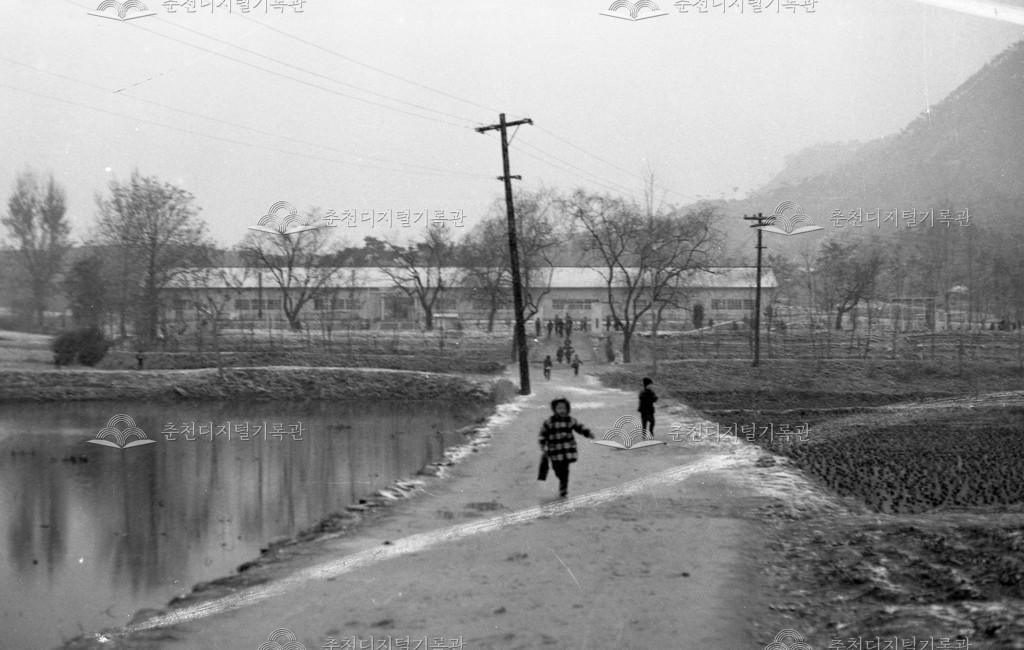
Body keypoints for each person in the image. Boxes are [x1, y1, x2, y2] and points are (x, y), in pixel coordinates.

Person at [538, 397, 594, 498]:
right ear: (554, 410)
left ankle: (563, 488)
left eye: (564, 408)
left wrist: (587, 433)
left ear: (568, 409)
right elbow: (543, 434)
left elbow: (579, 427)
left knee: (565, 470)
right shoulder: (549, 422)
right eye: (559, 408)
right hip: (555, 451)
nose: (562, 410)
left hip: (567, 451)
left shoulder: (570, 421)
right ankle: (561, 479)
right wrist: (542, 444)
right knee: (557, 470)